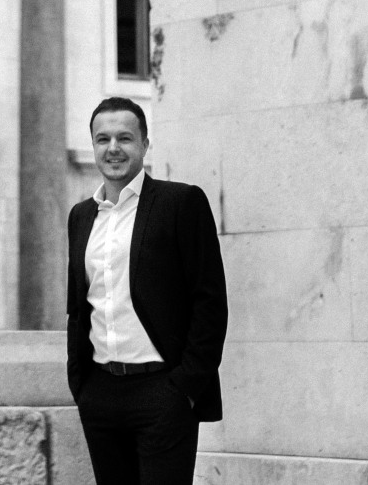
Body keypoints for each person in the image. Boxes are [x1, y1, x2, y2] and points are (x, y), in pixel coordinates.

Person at [66, 96, 227, 485]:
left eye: (125, 137)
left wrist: (184, 389)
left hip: (163, 392)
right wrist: (81, 385)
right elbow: (79, 305)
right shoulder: (81, 215)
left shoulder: (180, 202)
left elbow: (210, 303)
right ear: (93, 146)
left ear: (144, 145)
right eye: (103, 139)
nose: (113, 148)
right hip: (100, 393)